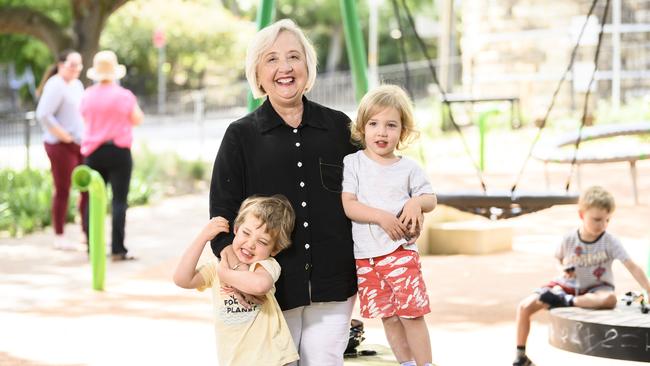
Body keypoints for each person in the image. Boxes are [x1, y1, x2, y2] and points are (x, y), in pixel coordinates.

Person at [209, 19, 358, 365]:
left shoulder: (339, 128)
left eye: (294, 57)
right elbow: (222, 212)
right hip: (270, 289)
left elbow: (369, 190)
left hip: (334, 284)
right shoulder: (240, 136)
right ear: (257, 75)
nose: (285, 68)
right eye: (271, 59)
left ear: (308, 66)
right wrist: (232, 261)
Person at [341, 85, 437, 366]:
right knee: (389, 316)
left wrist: (415, 203)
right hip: (366, 257)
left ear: (402, 132)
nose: (381, 132)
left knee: (411, 314)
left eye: (391, 125)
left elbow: (430, 198)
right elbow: (349, 205)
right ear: (362, 127)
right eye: (374, 124)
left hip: (399, 252)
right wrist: (382, 216)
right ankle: (406, 363)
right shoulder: (353, 163)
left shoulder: (409, 168)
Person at [513, 185, 650, 366]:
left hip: (597, 288)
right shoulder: (569, 239)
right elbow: (559, 261)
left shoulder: (610, 241)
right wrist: (564, 269)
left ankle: (564, 300)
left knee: (609, 299)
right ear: (581, 215)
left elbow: (632, 266)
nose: (602, 225)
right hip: (567, 286)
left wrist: (648, 290)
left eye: (607, 220)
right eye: (597, 220)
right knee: (525, 306)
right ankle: (521, 355)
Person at [174, 195, 299, 366]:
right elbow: (182, 279)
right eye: (246, 233)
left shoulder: (265, 265)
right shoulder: (218, 266)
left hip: (271, 359)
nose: (250, 244)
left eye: (262, 241)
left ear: (275, 249)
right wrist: (203, 237)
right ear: (236, 228)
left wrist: (225, 275)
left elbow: (260, 285)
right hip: (233, 360)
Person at [80, 50, 144, 261]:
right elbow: (137, 119)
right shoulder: (123, 95)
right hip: (118, 151)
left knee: (93, 200)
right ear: (115, 71)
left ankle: (92, 247)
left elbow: (84, 117)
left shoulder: (88, 95)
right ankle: (118, 249)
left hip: (94, 152)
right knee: (119, 202)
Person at [36, 49, 89, 250]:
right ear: (61, 65)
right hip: (60, 146)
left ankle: (86, 231)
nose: (76, 69)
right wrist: (64, 135)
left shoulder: (77, 85)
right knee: (63, 188)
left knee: (86, 188)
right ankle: (59, 234)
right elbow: (43, 114)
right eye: (72, 65)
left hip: (79, 143)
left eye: (79, 65)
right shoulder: (55, 85)